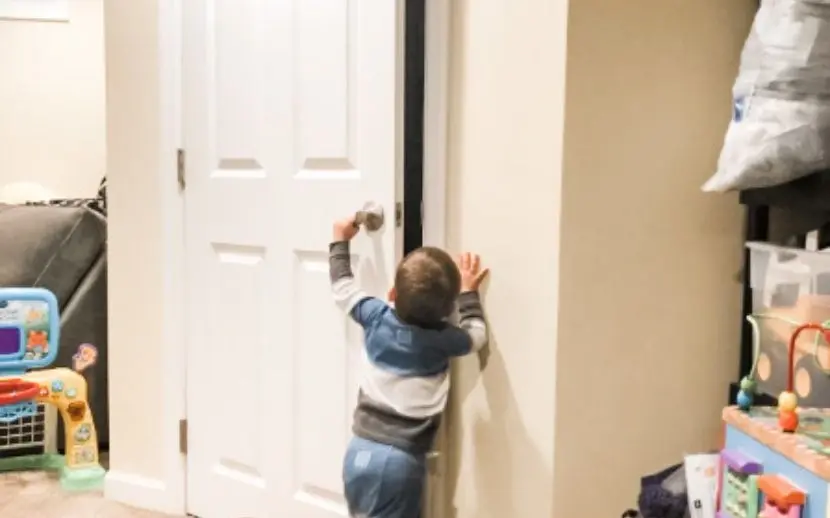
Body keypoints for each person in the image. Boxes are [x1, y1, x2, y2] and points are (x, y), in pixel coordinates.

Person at [329, 214, 490, 518]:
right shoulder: (444, 339)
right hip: (400, 463)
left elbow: (343, 288)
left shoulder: (375, 316)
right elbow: (477, 337)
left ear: (392, 294)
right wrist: (469, 293)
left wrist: (340, 239)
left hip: (359, 451)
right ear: (448, 311)